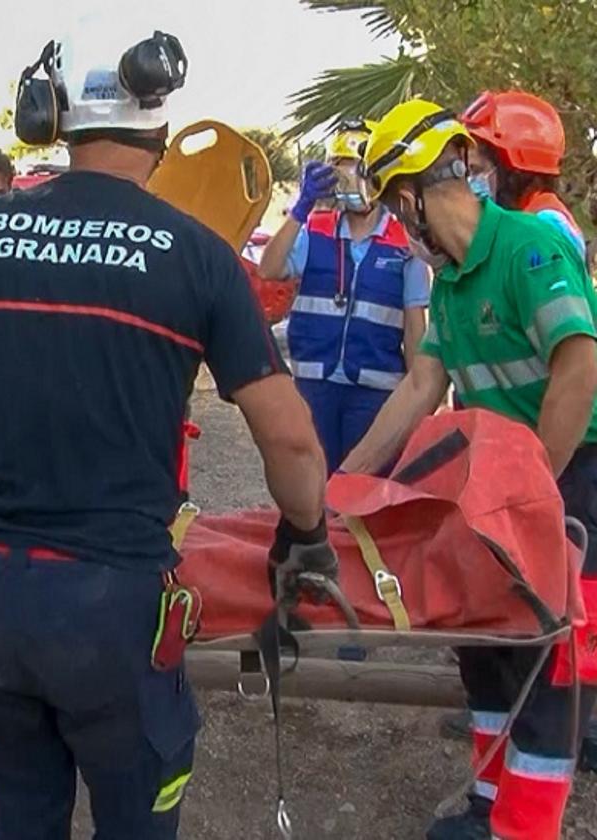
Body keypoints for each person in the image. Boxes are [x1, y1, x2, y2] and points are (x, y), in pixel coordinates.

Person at [0, 28, 334, 839]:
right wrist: (305, 533)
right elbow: (292, 442)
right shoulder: (197, 257)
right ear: (161, 139)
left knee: (23, 814)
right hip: (114, 610)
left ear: (54, 127)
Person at [341, 98, 597, 840]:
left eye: (393, 208)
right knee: (486, 640)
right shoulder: (453, 282)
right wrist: (345, 484)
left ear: (410, 196)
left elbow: (577, 368)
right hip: (506, 477)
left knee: (549, 660)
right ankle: (489, 805)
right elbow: (420, 389)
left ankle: (523, 830)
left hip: (571, 471)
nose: (396, 226)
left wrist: (535, 489)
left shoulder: (528, 250)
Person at [461, 88, 597, 776]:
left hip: (563, 459)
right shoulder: (530, 227)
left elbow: (574, 364)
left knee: (557, 630)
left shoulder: (541, 235)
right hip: (532, 457)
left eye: (477, 158)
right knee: (516, 625)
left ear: (507, 162)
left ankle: (541, 772)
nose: (467, 174)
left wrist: (535, 482)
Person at [259, 119, 431, 473]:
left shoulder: (405, 242)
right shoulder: (313, 229)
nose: (349, 179)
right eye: (342, 169)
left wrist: (420, 399)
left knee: (361, 491)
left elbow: (416, 326)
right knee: (312, 486)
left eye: (356, 169)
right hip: (313, 383)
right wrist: (299, 209)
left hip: (376, 389)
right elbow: (269, 269)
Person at [461, 90, 587, 260]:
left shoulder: (546, 229)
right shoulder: (524, 222)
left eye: (477, 170)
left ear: (513, 173)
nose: (470, 182)